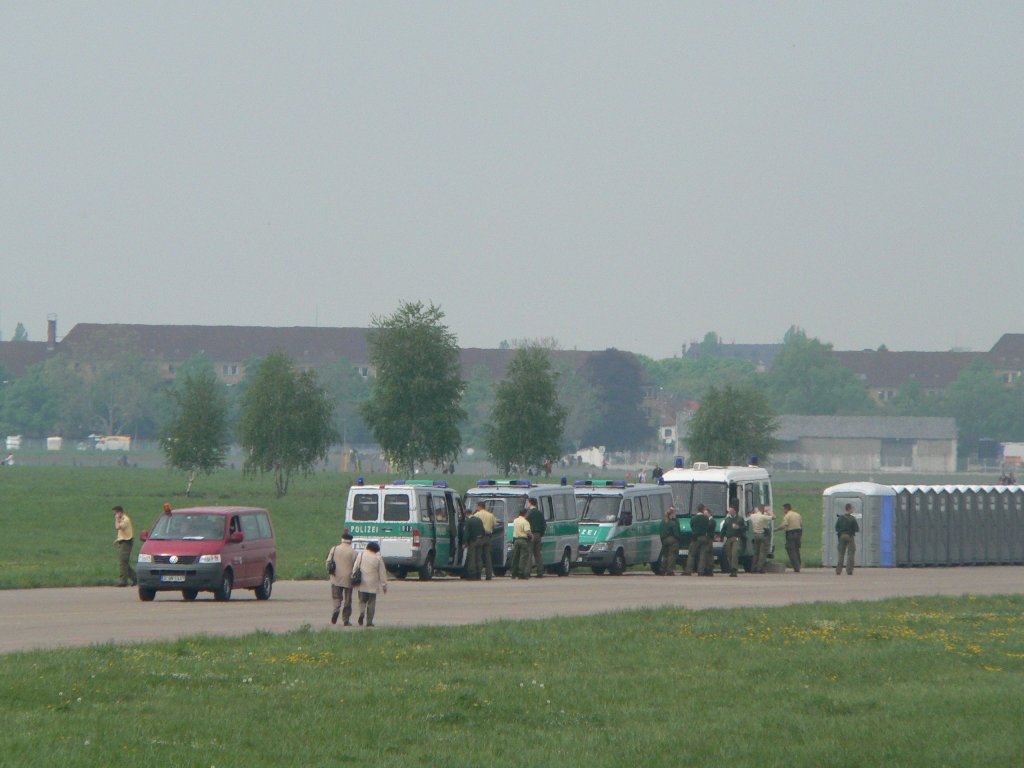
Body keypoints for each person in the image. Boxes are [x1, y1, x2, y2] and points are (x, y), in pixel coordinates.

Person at [354, 541, 388, 627]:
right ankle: (369, 622)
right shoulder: (378, 558)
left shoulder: (361, 555)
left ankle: (362, 612)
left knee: (361, 601)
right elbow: (382, 573)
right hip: (373, 584)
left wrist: (353, 577)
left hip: (362, 583)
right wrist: (384, 585)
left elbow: (355, 567)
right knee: (371, 603)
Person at [326, 532, 357, 626]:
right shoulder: (353, 552)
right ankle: (346, 620)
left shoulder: (334, 549)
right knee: (348, 600)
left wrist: (330, 573)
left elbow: (328, 561)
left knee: (336, 597)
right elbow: (356, 566)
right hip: (348, 578)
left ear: (342, 540)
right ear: (350, 541)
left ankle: (336, 609)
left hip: (336, 577)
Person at [684, 505, 712, 576]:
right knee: (703, 555)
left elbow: (692, 526)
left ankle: (688, 570)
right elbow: (708, 527)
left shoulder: (694, 518)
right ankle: (700, 571)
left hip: (695, 538)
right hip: (704, 537)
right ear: (703, 510)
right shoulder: (706, 519)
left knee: (691, 554)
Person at [112, 506, 137, 587]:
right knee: (124, 562)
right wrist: (118, 539)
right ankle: (135, 578)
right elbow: (120, 531)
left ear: (119, 512)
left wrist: (118, 519)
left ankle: (123, 581)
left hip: (127, 542)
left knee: (123, 562)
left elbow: (119, 527)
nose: (114, 515)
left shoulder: (125, 520)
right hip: (122, 541)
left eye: (115, 513)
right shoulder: (121, 519)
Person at [775, 503, 803, 572]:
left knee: (791, 550)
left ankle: (796, 567)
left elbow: (784, 525)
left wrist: (776, 529)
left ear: (786, 509)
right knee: (797, 550)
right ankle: (799, 564)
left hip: (791, 533)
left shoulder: (787, 516)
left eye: (783, 509)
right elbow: (801, 524)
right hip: (798, 532)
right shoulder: (797, 514)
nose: (783, 511)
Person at [472, 501, 497, 580]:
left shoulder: (476, 515)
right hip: (488, 537)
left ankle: (478, 575)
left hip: (479, 537)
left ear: (479, 507)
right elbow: (494, 526)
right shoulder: (491, 515)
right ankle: (489, 575)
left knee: (479, 556)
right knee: (488, 556)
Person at [722, 505, 746, 577]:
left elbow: (745, 528)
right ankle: (731, 567)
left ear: (735, 511)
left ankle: (734, 569)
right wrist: (721, 537)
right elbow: (724, 529)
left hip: (736, 538)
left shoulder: (740, 519)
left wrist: (739, 527)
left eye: (731, 511)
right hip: (729, 538)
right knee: (729, 554)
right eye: (729, 511)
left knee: (734, 553)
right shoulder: (727, 520)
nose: (730, 512)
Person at [835, 503, 860, 575]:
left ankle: (838, 570)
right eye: (852, 508)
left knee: (841, 554)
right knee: (851, 553)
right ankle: (849, 570)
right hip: (850, 536)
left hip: (842, 536)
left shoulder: (840, 518)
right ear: (849, 509)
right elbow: (856, 529)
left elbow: (836, 528)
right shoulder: (852, 518)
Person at [748, 504, 773, 574]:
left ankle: (753, 568)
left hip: (755, 535)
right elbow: (774, 517)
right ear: (762, 509)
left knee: (756, 552)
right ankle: (760, 568)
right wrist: (769, 512)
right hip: (763, 535)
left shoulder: (752, 516)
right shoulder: (763, 516)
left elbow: (749, 516)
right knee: (763, 552)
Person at [526, 497, 546, 578]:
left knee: (529, 554)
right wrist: (541, 533)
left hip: (531, 535)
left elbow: (526, 524)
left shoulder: (529, 513)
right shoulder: (540, 513)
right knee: (538, 554)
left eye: (528, 502)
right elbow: (544, 525)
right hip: (538, 535)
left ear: (530, 503)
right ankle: (540, 572)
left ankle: (528, 572)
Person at [658, 506, 682, 575]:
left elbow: (661, 532)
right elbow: (676, 533)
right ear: (672, 514)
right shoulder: (673, 523)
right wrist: (678, 539)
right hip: (672, 540)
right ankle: (670, 570)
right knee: (672, 555)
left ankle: (662, 569)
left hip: (664, 540)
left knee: (665, 555)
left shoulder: (663, 522)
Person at [510, 507, 532, 579]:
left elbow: (511, 529)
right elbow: (527, 532)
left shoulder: (515, 520)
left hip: (515, 540)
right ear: (525, 514)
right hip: (523, 540)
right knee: (523, 557)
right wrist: (531, 536)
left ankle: (513, 573)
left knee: (515, 557)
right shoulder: (525, 522)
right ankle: (521, 573)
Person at [464, 510, 485, 580]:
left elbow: (466, 533)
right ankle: (479, 574)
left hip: (473, 541)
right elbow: (483, 530)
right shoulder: (479, 520)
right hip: (480, 540)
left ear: (467, 514)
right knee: (479, 557)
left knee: (472, 557)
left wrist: (465, 542)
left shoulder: (469, 521)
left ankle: (472, 574)